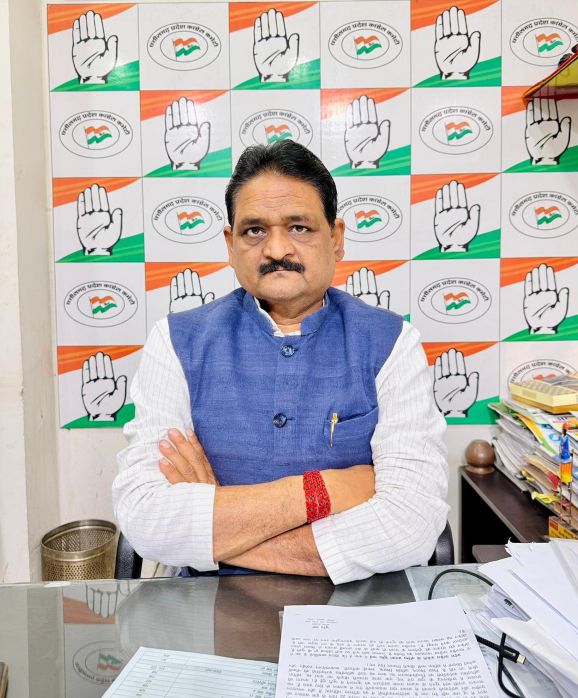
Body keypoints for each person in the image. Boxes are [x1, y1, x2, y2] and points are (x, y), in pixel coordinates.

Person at [113, 141, 448, 585]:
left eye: (299, 227)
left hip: (358, 604)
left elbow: (410, 525)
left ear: (336, 239)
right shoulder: (176, 341)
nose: (275, 249)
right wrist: (324, 490)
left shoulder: (392, 342)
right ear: (231, 245)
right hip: (209, 603)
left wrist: (216, 528)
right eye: (254, 231)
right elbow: (146, 518)